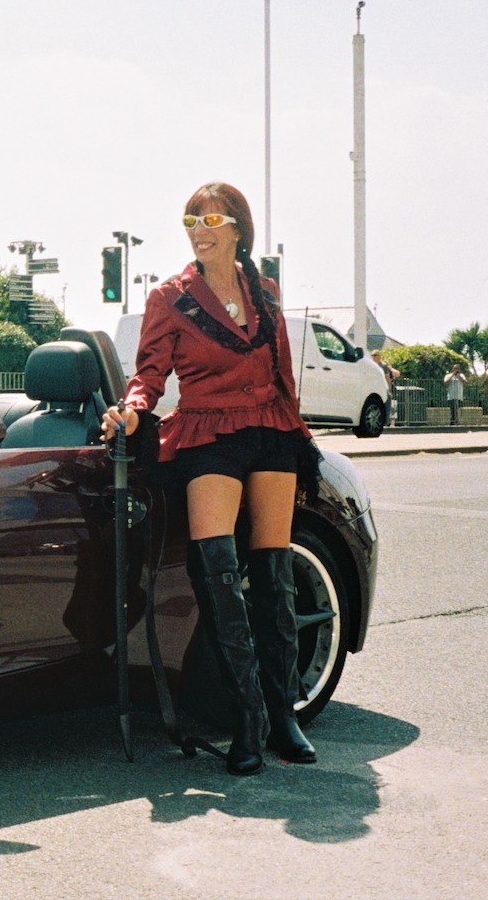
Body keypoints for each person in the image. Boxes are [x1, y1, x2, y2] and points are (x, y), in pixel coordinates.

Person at [102, 182, 318, 775]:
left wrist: (300, 437)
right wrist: (132, 410)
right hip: (207, 431)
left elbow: (282, 372)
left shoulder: (265, 292)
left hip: (271, 428)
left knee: (275, 575)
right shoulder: (170, 297)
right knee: (217, 571)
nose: (200, 230)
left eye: (212, 220)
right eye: (191, 221)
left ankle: (284, 715)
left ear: (238, 229)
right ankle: (247, 719)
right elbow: (149, 374)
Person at [371, 350, 400, 425]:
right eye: (372, 355)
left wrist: (389, 390)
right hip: (374, 388)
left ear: (379, 356)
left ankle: (391, 424)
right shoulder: (371, 365)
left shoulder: (383, 366)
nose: (373, 357)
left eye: (375, 355)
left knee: (391, 406)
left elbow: (387, 378)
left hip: (384, 388)